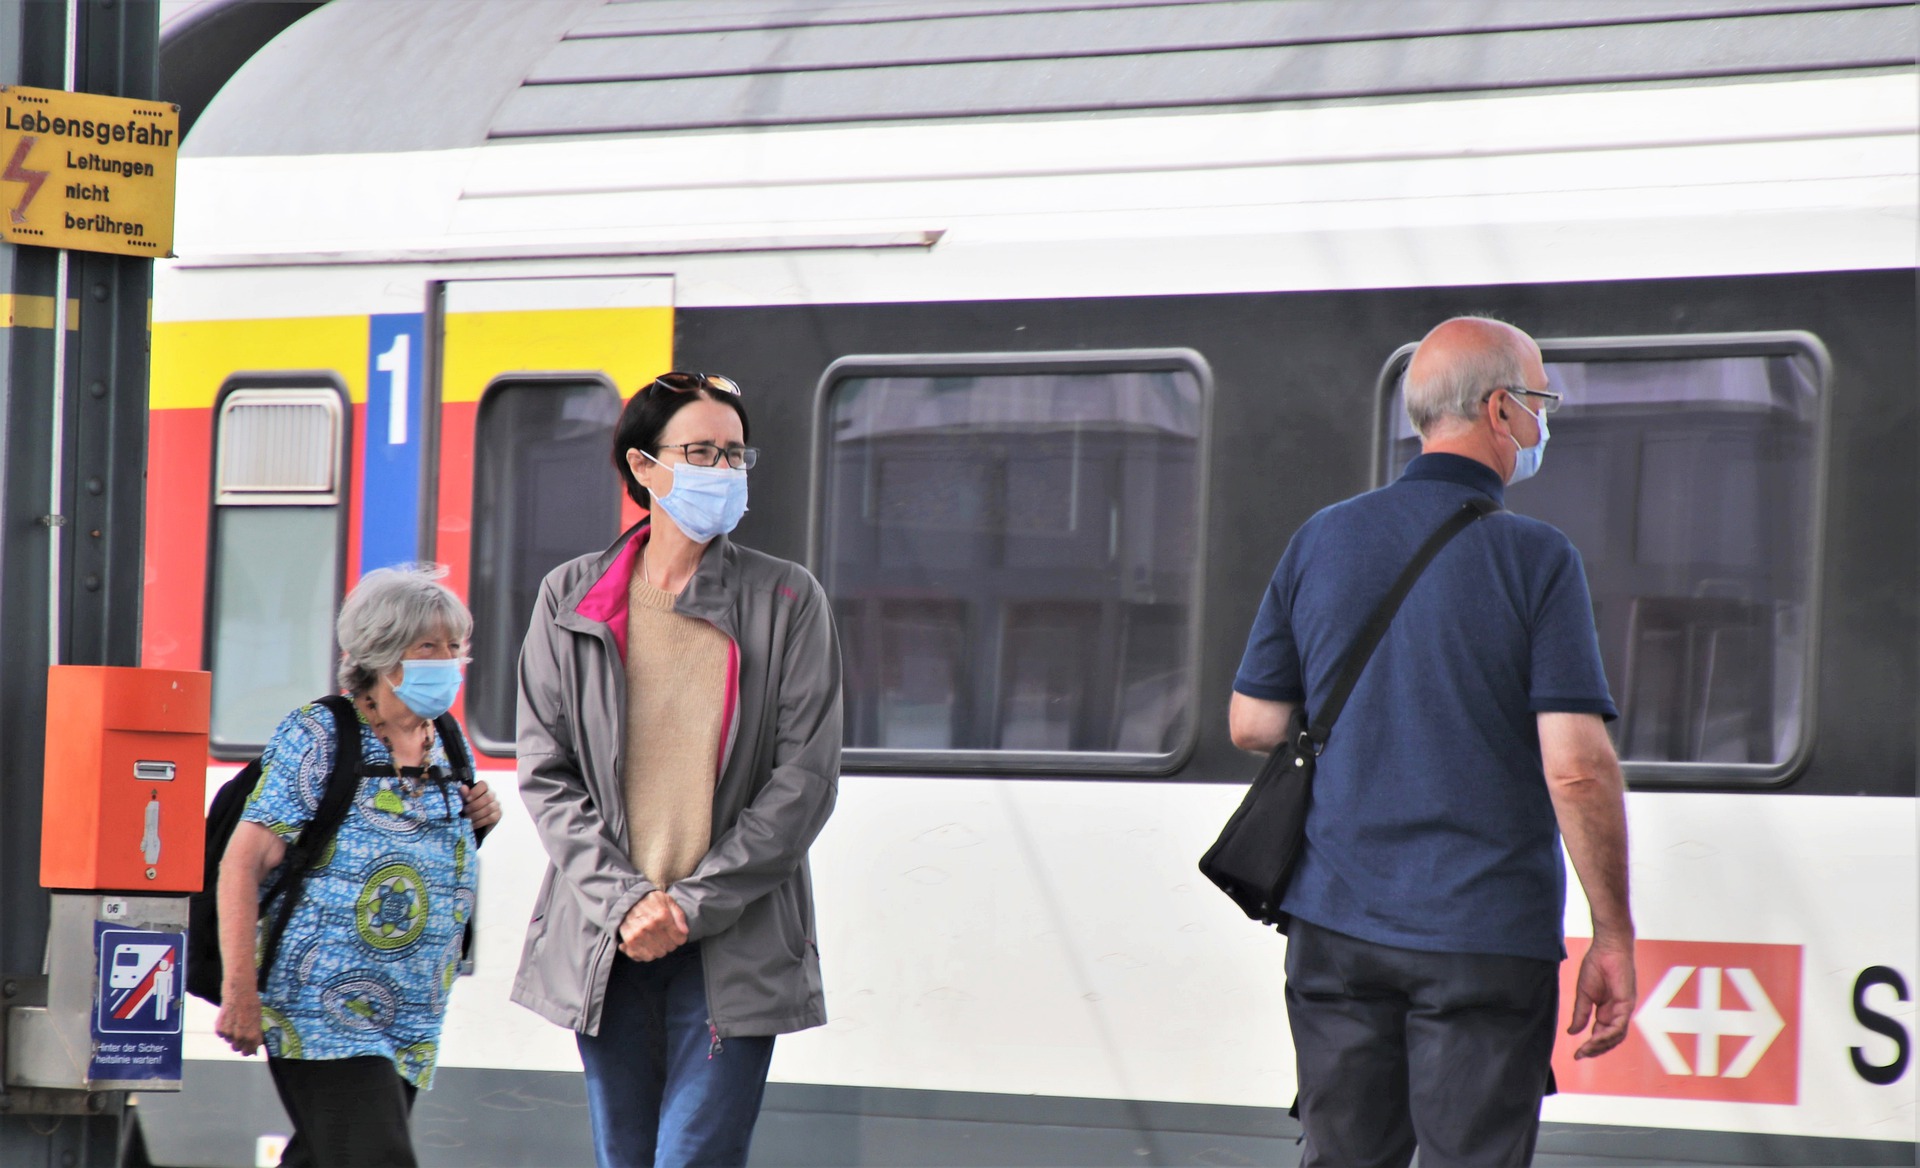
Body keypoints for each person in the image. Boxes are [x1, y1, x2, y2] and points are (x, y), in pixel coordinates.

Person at [1229, 317, 1635, 1168]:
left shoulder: (1324, 537)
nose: (1544, 424)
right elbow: (1576, 767)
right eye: (1542, 403)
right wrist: (1612, 931)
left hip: (1335, 925)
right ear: (1501, 411)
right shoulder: (1536, 560)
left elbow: (1253, 723)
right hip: (1480, 933)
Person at [512, 371, 843, 1168]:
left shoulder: (788, 600)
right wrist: (628, 903)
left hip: (732, 938)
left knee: (694, 1156)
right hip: (609, 939)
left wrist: (690, 906)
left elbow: (805, 780)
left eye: (735, 454)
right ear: (643, 468)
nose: (724, 471)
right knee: (624, 1156)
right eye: (701, 451)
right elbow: (546, 773)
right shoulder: (572, 596)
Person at [215, 566, 502, 1168]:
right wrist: (239, 990)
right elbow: (243, 863)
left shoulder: (446, 740)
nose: (448, 660)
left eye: (454, 646)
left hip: (414, 1011)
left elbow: (433, 851)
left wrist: (479, 821)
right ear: (382, 653)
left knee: (329, 1157)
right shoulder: (322, 734)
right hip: (322, 1006)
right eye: (430, 646)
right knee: (377, 1158)